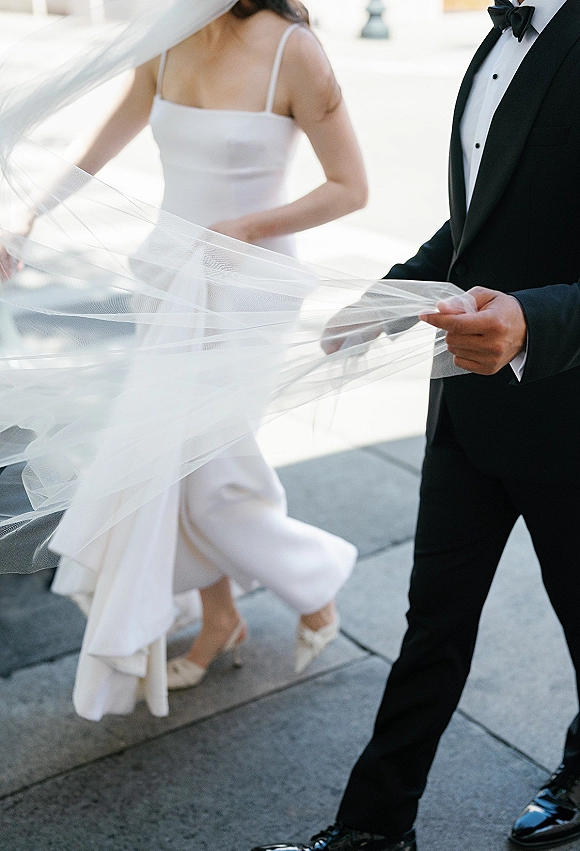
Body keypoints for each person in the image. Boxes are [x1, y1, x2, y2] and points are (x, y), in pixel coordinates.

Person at [246, 1, 580, 851]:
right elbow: (481, 226)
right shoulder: (498, 39)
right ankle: (375, 830)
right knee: (432, 622)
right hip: (466, 409)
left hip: (567, 417)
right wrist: (390, 298)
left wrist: (537, 321)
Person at [0, 0, 366, 714]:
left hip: (247, 290)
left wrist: (247, 227)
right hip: (166, 283)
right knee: (171, 466)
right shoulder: (163, 43)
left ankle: (314, 583)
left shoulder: (294, 48)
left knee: (211, 473)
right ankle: (222, 616)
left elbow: (351, 188)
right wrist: (28, 214)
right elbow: (95, 147)